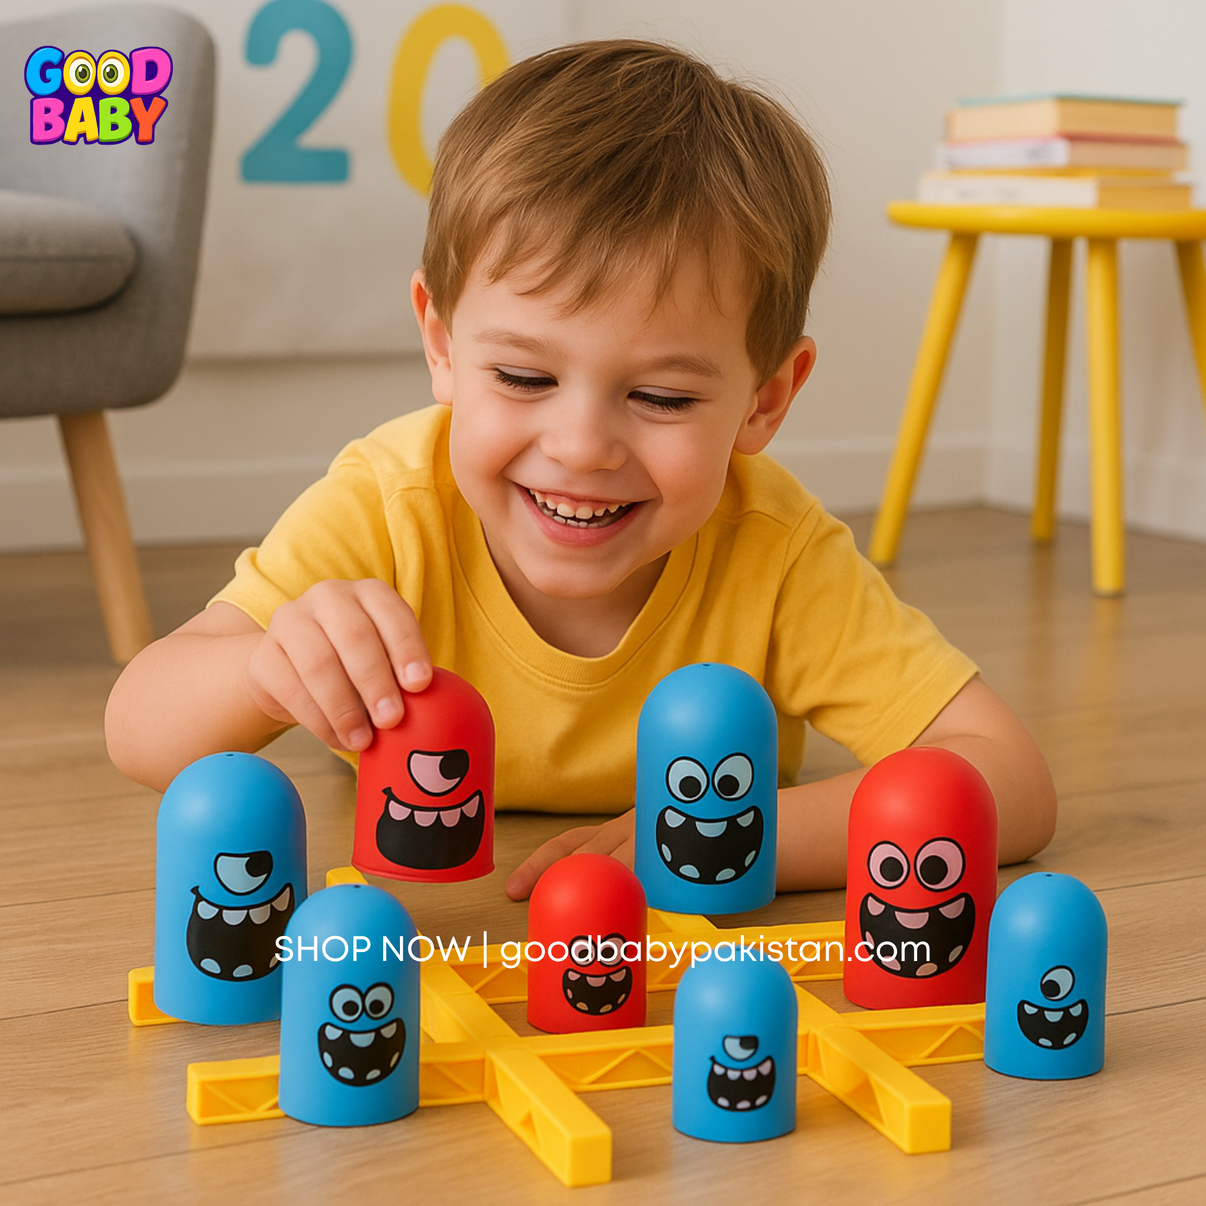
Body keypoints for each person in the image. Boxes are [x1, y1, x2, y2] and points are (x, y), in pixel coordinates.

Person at [105, 40, 1056, 900]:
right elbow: (140, 725)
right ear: (440, 343)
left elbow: (1010, 782)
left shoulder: (775, 550)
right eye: (523, 376)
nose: (581, 446)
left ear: (765, 400)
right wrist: (267, 675)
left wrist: (725, 844)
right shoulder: (388, 504)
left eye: (663, 399)